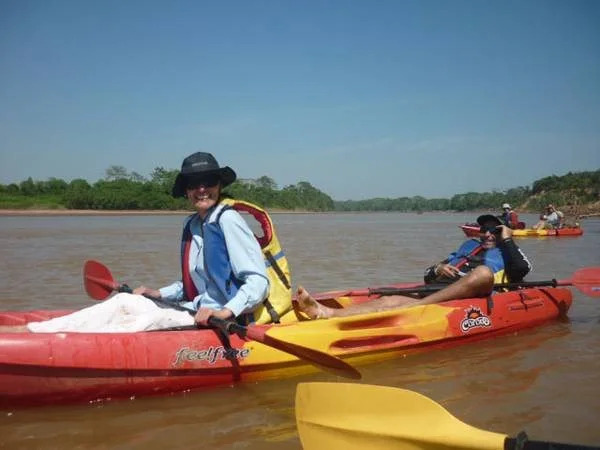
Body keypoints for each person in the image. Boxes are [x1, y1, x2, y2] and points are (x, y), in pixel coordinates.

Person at [2, 152, 271, 333]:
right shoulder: (193, 224)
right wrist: (159, 293)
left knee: (146, 319)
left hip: (225, 318)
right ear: (187, 191)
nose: (202, 189)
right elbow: (199, 283)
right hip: (194, 309)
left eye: (208, 182)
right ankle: (34, 331)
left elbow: (258, 282)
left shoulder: (228, 220)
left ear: (219, 185)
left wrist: (226, 311)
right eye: (194, 183)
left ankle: (45, 339)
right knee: (123, 301)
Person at [294, 214, 531, 319]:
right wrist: (438, 269)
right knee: (388, 301)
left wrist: (507, 239)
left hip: (477, 292)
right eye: (484, 229)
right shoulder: (468, 245)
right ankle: (326, 313)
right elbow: (428, 277)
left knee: (483, 272)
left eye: (494, 230)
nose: (488, 233)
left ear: (503, 232)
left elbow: (521, 270)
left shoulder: (508, 250)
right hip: (440, 292)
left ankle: (417, 308)